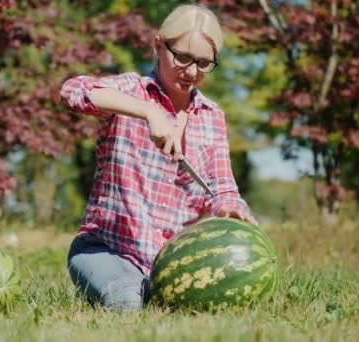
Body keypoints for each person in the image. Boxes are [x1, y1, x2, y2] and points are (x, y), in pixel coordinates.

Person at [59, 3, 257, 312]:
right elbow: (74, 90)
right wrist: (149, 111)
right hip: (108, 250)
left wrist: (231, 210)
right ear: (158, 45)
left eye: (204, 63)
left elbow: (222, 189)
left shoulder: (212, 116)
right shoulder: (132, 91)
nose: (192, 72)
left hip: (169, 263)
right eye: (182, 57)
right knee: (128, 301)